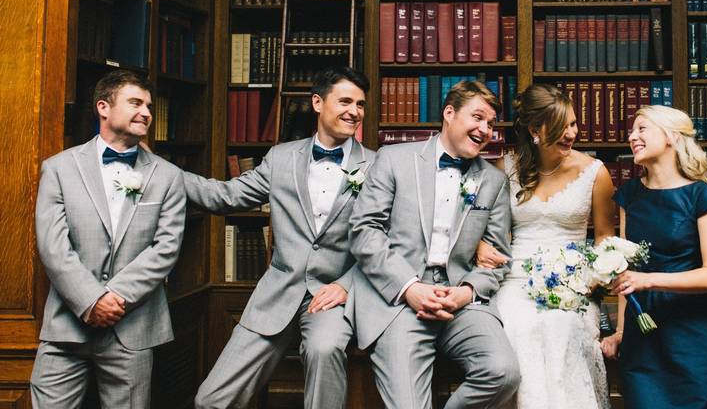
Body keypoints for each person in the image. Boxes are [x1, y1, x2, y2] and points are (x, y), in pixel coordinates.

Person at [187, 67, 375, 409]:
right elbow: (226, 196)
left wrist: (347, 285)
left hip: (332, 298)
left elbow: (387, 241)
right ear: (318, 103)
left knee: (324, 349)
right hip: (276, 293)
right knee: (210, 400)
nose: (354, 111)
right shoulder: (281, 157)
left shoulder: (377, 167)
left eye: (361, 105)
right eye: (345, 101)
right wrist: (159, 172)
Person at [349, 80, 520, 409]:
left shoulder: (494, 181)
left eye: (491, 123)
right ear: (449, 113)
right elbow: (363, 230)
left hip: (461, 301)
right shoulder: (394, 159)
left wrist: (466, 292)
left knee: (504, 372)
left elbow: (499, 260)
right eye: (478, 117)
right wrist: (410, 287)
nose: (485, 129)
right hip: (399, 301)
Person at [31, 70, 186, 408]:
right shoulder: (58, 168)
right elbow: (52, 245)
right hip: (66, 327)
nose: (146, 112)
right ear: (103, 107)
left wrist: (114, 299)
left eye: (148, 105)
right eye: (135, 103)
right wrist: (90, 300)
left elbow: (166, 249)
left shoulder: (169, 176)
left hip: (133, 328)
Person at [475, 83, 617, 409]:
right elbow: (486, 229)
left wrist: (592, 279)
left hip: (573, 281)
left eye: (573, 124)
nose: (571, 133)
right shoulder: (503, 169)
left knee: (561, 326)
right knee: (516, 326)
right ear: (534, 129)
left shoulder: (596, 173)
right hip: (513, 279)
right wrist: (483, 245)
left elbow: (604, 238)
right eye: (561, 126)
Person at [598, 105, 707, 408]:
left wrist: (648, 281)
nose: (632, 137)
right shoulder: (630, 195)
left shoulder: (702, 196)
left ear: (672, 136)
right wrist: (621, 330)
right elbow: (626, 272)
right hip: (643, 339)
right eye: (632, 131)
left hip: (694, 335)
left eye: (642, 129)